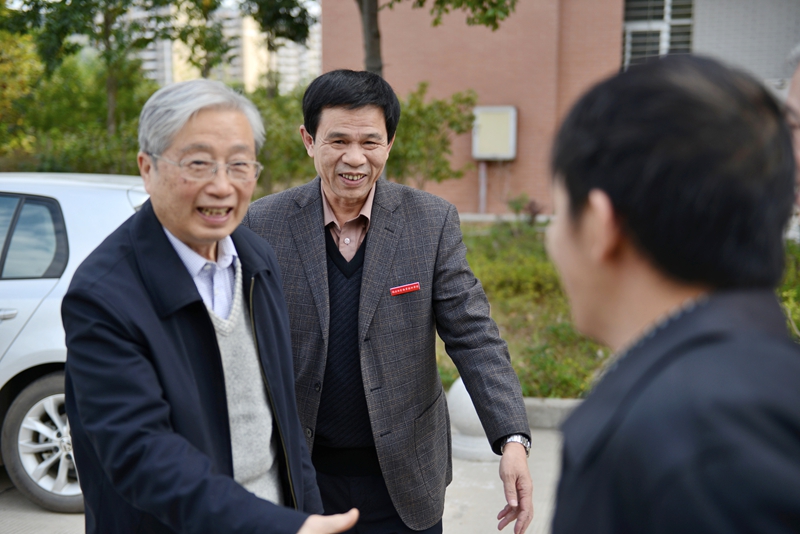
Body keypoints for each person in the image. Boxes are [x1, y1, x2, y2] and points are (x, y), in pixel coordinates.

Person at [242, 69, 533, 534]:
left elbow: (473, 335)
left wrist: (512, 438)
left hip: (404, 481)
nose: (354, 158)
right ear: (309, 140)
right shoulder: (263, 223)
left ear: (390, 143)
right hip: (301, 478)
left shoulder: (430, 222)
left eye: (370, 142)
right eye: (338, 140)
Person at [62, 79, 358, 534]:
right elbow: (143, 454)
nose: (222, 186)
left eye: (239, 165)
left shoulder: (256, 259)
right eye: (198, 164)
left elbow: (285, 420)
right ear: (147, 168)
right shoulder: (104, 295)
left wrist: (308, 517)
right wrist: (274, 526)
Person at [546, 55, 800, 533]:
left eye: (557, 213)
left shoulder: (691, 435)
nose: (553, 239)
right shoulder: (753, 380)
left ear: (601, 224)